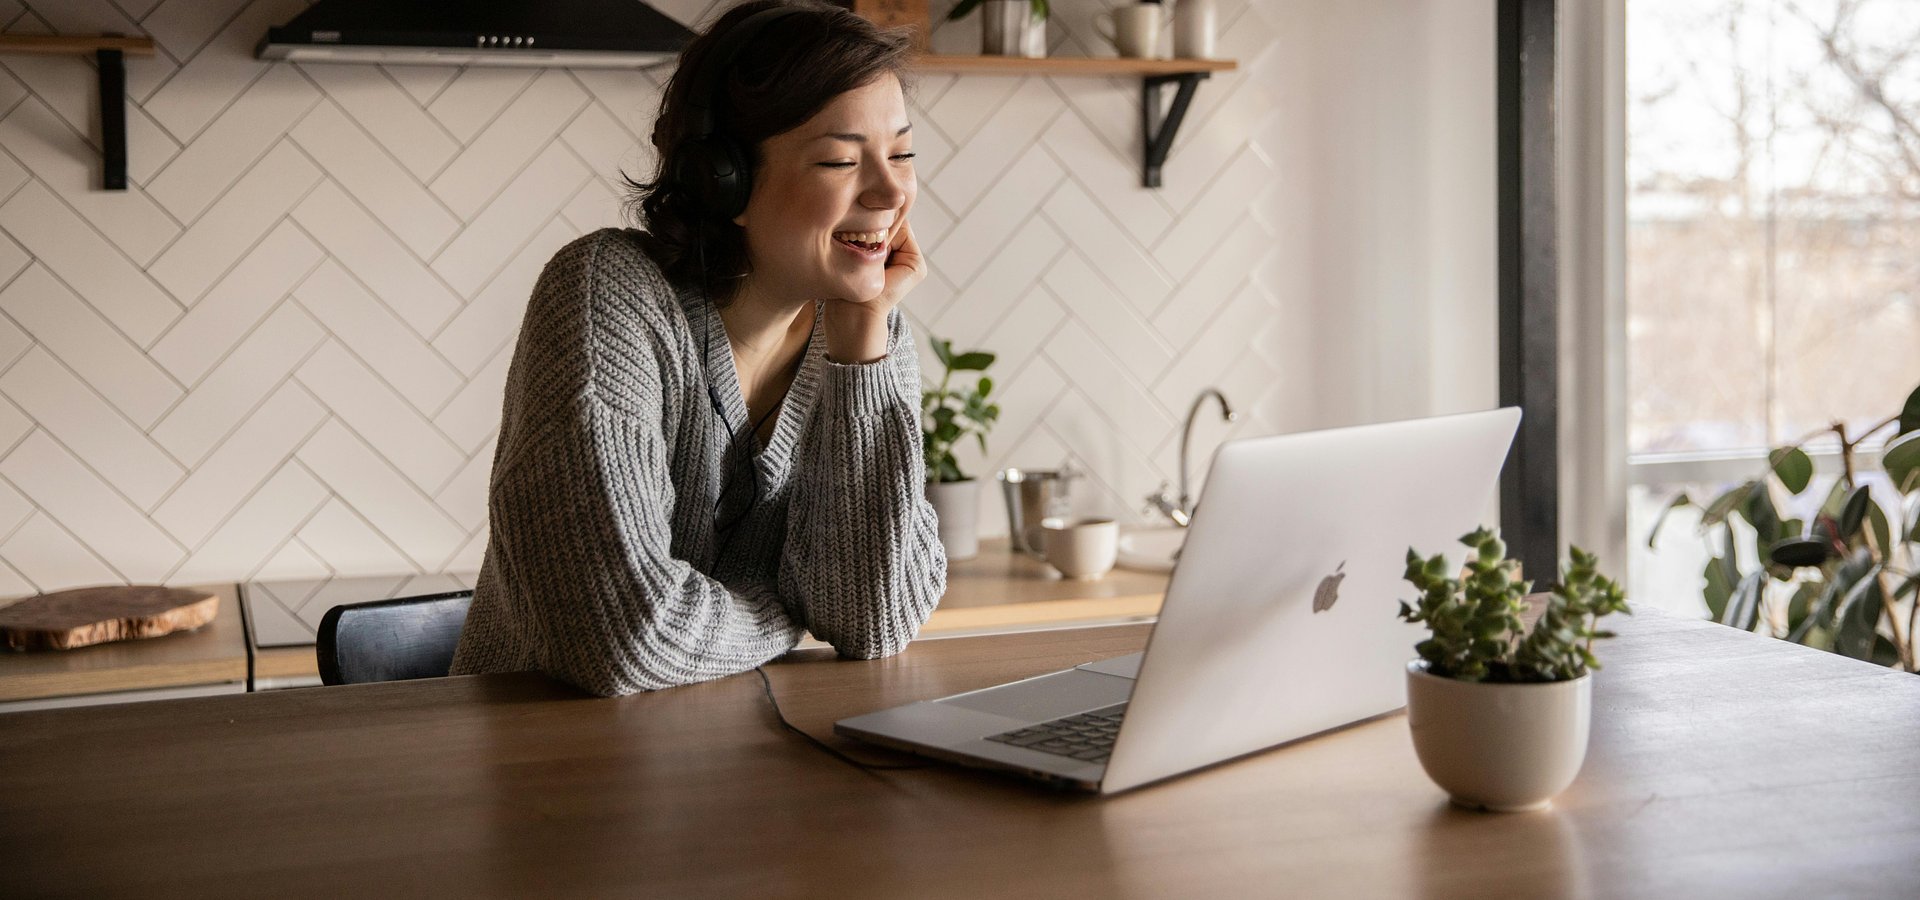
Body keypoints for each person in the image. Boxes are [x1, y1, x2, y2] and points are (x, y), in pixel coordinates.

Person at [449, 0, 946, 696]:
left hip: (732, 769)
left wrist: (863, 354)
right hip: (545, 773)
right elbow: (623, 637)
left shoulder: (869, 336)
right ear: (725, 180)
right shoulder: (607, 296)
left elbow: (873, 621)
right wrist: (783, 609)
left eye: (902, 153)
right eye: (840, 159)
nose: (892, 191)